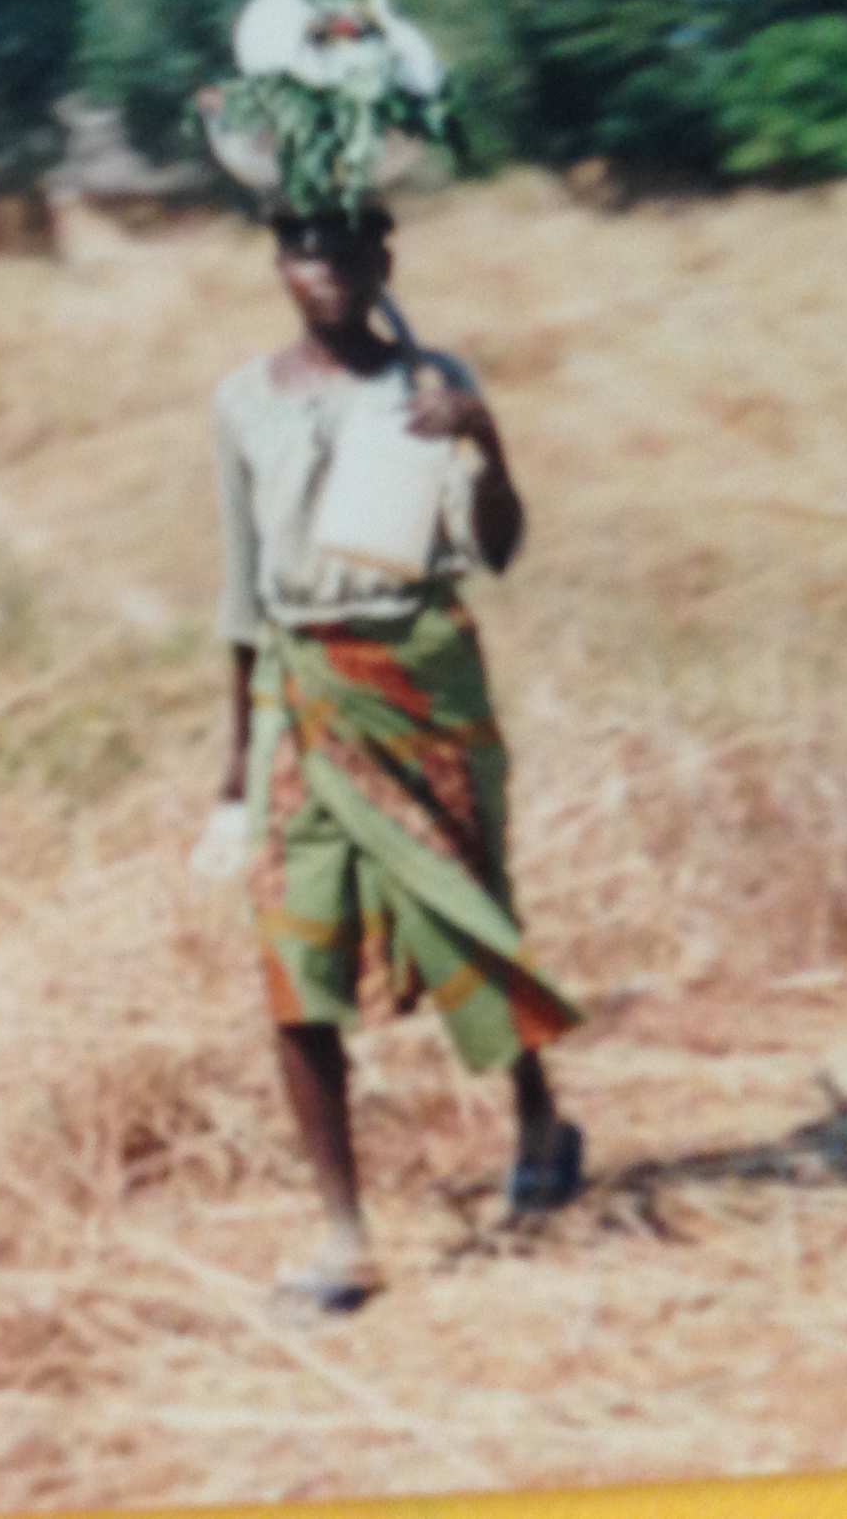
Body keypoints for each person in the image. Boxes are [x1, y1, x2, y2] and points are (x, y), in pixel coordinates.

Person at [209, 203, 584, 1314]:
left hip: (420, 678)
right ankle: (343, 1237)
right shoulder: (241, 400)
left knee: (463, 911)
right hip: (298, 691)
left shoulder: (429, 383)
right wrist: (233, 765)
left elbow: (499, 549)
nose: (320, 271)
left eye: (343, 250)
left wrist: (484, 434)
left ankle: (537, 1118)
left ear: (383, 261)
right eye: (299, 250)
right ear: (278, 267)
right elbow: (240, 590)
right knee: (293, 953)